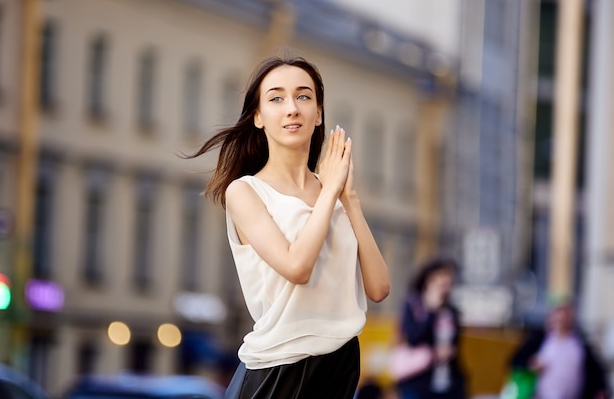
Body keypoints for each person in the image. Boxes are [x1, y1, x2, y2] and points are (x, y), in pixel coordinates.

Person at [189, 54, 391, 399]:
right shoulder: (246, 191)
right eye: (276, 98)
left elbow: (379, 289)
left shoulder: (335, 192)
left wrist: (350, 197)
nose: (292, 108)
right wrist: (329, 193)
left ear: (319, 113)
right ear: (258, 117)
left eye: (303, 96)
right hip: (277, 370)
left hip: (340, 366)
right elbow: (297, 267)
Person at [510, 297, 610, 399]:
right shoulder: (541, 339)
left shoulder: (579, 344)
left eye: (566, 316)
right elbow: (515, 360)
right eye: (559, 316)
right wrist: (531, 364)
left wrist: (601, 390)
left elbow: (596, 372)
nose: (562, 320)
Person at [394, 258, 466, 399]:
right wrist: (432, 312)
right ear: (429, 279)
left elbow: (456, 345)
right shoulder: (413, 305)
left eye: (449, 276)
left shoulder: (452, 311)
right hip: (418, 380)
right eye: (441, 275)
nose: (445, 281)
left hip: (447, 382)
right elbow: (413, 338)